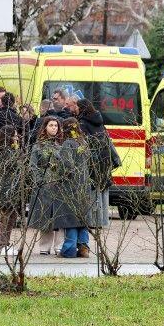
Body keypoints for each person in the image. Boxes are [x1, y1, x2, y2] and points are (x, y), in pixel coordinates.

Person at [56, 118, 95, 258]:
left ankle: (69, 250)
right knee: (82, 218)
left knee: (71, 218)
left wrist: (59, 174)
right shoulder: (83, 143)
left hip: (71, 186)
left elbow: (67, 166)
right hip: (84, 185)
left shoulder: (67, 144)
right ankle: (84, 247)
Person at [28, 117, 64, 255]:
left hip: (59, 183)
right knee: (45, 215)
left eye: (56, 125)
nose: (54, 128)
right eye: (51, 125)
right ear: (45, 127)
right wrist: (40, 180)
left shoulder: (61, 146)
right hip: (44, 185)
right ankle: (44, 246)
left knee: (60, 215)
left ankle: (59, 246)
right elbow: (33, 165)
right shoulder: (38, 146)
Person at [76, 98, 113, 230]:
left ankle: (92, 221)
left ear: (81, 108)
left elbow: (84, 144)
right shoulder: (99, 120)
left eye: (77, 106)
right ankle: (101, 221)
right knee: (102, 190)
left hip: (92, 160)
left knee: (92, 191)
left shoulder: (83, 123)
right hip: (104, 160)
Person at [0, 126, 23, 256]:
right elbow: (7, 167)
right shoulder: (1, 151)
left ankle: (6, 243)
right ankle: (1, 244)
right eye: (14, 135)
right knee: (5, 217)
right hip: (4, 188)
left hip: (14, 187)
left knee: (12, 217)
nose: (16, 138)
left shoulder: (13, 150)